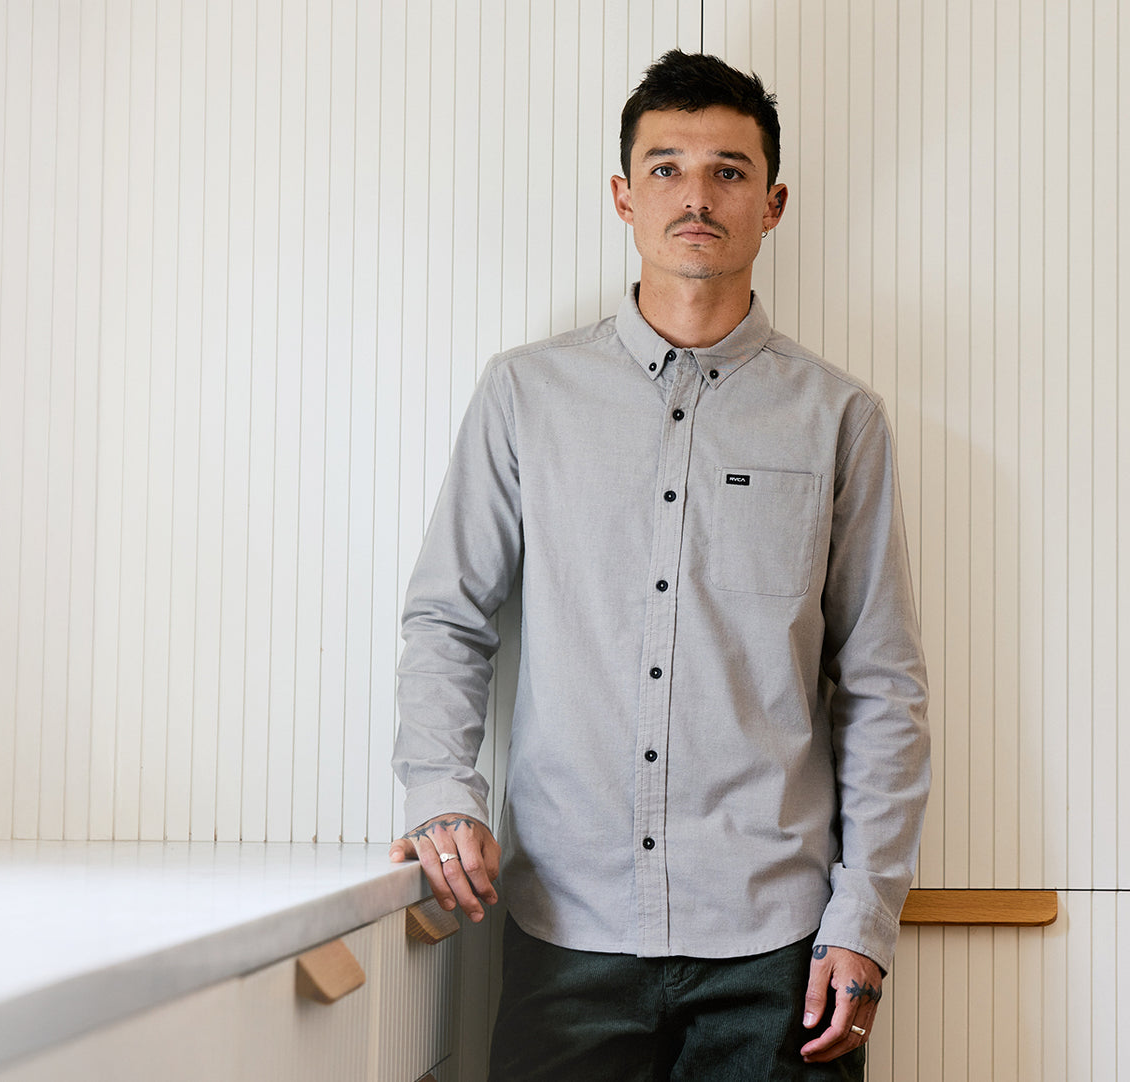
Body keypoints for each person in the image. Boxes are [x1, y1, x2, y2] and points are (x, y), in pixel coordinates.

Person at [390, 50, 930, 1081]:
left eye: (728, 170)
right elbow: (446, 619)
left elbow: (881, 684)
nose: (696, 196)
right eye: (666, 167)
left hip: (779, 951)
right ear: (620, 194)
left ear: (771, 204)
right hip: (565, 929)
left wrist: (863, 914)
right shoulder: (524, 395)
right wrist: (437, 787)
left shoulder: (838, 418)